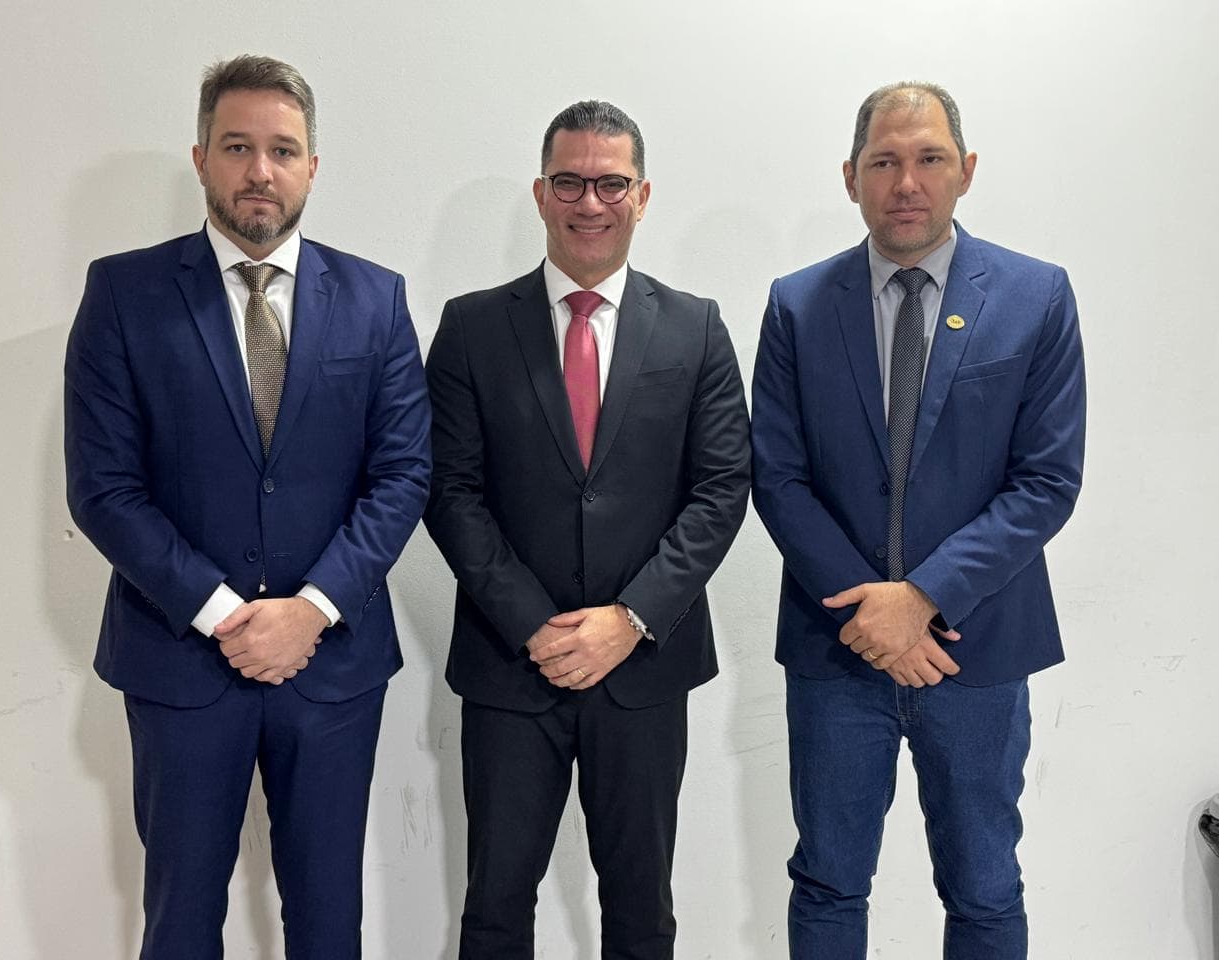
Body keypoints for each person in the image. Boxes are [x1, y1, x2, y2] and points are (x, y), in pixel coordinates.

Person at [63, 54, 430, 959]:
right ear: (200, 159)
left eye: (282, 150)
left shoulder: (376, 299)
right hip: (181, 662)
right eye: (236, 147)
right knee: (181, 921)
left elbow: (403, 475)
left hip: (332, 664)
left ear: (313, 166)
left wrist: (312, 609)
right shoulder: (124, 294)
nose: (259, 170)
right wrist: (225, 614)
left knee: (328, 923)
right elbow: (104, 488)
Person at [750, 82, 1085, 959]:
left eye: (929, 158)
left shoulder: (1037, 296)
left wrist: (922, 599)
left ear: (965, 170)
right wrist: (874, 615)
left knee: (984, 888)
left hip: (977, 651)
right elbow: (777, 477)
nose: (907, 182)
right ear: (850, 177)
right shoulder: (796, 305)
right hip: (838, 650)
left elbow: (1047, 481)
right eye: (884, 162)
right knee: (828, 883)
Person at [424, 100, 750, 960]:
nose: (590, 202)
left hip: (643, 669)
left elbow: (721, 489)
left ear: (642, 195)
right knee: (495, 910)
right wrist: (534, 624)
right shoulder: (470, 327)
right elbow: (449, 492)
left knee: (641, 913)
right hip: (510, 668)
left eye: (611, 183)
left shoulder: (696, 327)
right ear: (541, 193)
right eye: (569, 182)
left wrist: (630, 618)